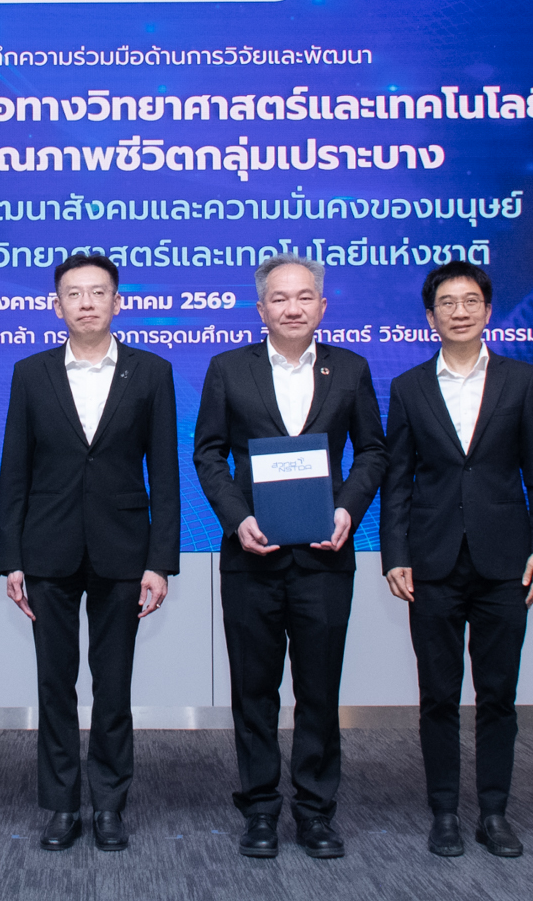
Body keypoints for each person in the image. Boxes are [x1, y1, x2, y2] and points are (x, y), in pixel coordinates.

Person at [194, 253, 386, 860]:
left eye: (304, 297)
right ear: (261, 309)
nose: (293, 307)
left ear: (322, 306)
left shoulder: (350, 369)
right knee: (254, 690)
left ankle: (316, 811)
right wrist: (237, 517)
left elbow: (373, 452)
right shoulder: (228, 369)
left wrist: (348, 509)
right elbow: (208, 454)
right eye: (280, 298)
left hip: (326, 557)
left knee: (319, 689)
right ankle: (258, 808)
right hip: (252, 555)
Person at [0, 252, 180, 852]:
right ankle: (60, 805)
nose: (86, 303)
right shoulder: (31, 372)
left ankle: (109, 803)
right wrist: (10, 558)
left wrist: (160, 561)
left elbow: (166, 474)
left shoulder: (151, 372)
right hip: (46, 549)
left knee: (114, 684)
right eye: (73, 294)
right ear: (57, 305)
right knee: (55, 684)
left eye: (97, 292)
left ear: (117, 301)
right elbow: (15, 471)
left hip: (123, 552)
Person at [382, 260, 533, 859]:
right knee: (437, 694)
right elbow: (397, 480)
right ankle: (444, 813)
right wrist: (395, 554)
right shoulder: (408, 387)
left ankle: (493, 812)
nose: (459, 312)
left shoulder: (521, 381)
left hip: (505, 561)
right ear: (430, 317)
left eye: (470, 301)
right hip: (431, 563)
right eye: (447, 304)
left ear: (487, 310)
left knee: (498, 694)